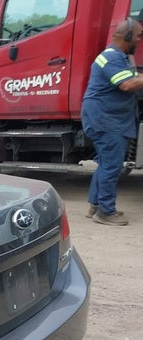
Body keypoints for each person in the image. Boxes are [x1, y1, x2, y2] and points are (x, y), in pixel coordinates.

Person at [81, 18, 143, 226]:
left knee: (106, 163)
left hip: (108, 118)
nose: (139, 39)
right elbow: (126, 84)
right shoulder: (111, 57)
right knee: (112, 165)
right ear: (126, 37)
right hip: (105, 119)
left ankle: (96, 205)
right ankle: (106, 212)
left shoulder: (120, 58)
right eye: (137, 36)